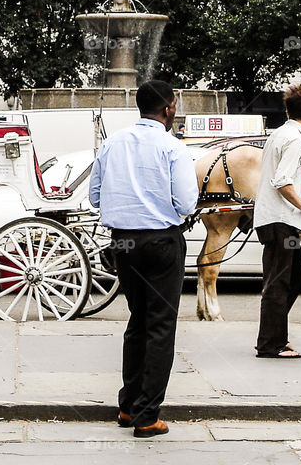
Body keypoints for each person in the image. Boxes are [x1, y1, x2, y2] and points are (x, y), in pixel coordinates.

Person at [88, 80, 198, 438]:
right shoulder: (173, 147)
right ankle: (147, 416)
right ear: (168, 109)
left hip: (123, 243)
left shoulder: (112, 143)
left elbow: (93, 196)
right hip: (162, 242)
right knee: (161, 325)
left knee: (137, 320)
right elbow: (185, 204)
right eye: (175, 104)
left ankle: (127, 404)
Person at [254, 83, 301, 359]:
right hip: (281, 219)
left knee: (295, 276)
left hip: (273, 218)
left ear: (287, 109)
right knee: (278, 282)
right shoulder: (295, 138)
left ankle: (275, 335)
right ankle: (270, 344)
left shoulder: (280, 133)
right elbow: (282, 180)